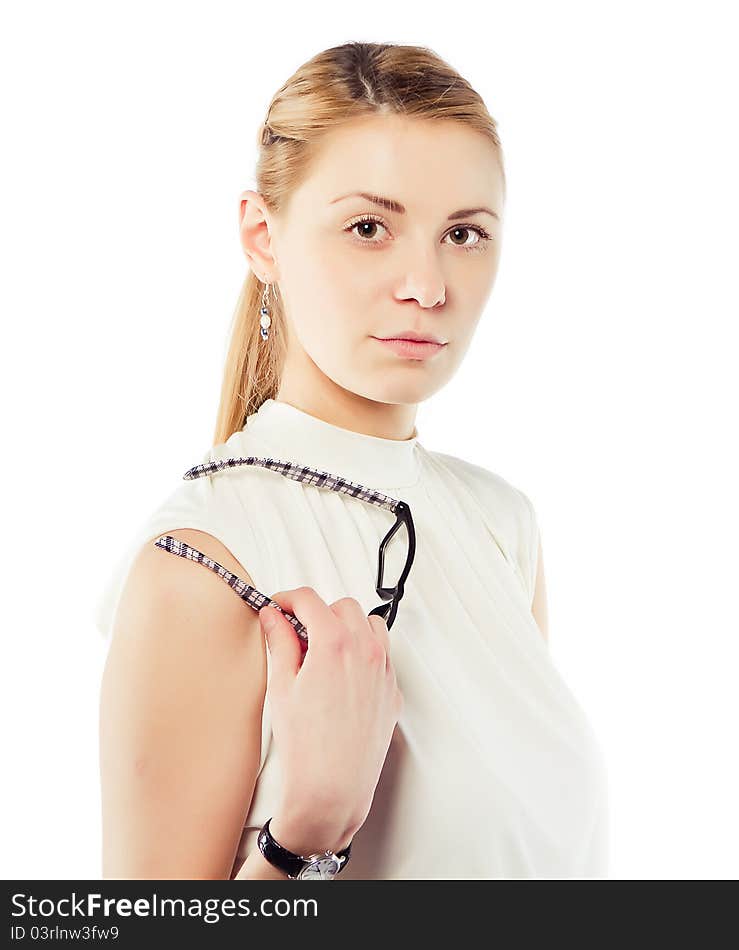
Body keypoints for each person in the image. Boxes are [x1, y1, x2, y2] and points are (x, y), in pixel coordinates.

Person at [95, 40, 608, 880]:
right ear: (263, 236)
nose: (428, 284)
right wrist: (307, 836)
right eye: (370, 227)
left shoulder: (500, 525)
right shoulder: (205, 562)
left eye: (464, 233)